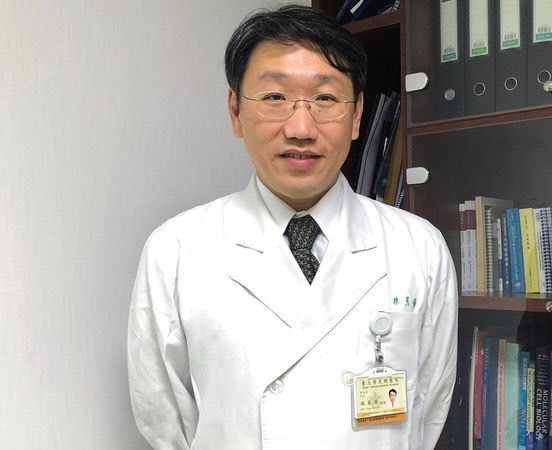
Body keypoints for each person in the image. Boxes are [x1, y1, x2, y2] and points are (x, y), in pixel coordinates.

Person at [127, 5, 458, 450]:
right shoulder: (176, 250)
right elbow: (164, 416)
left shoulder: (418, 248)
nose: (301, 128)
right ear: (235, 111)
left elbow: (429, 408)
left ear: (356, 116)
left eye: (325, 99)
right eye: (274, 97)